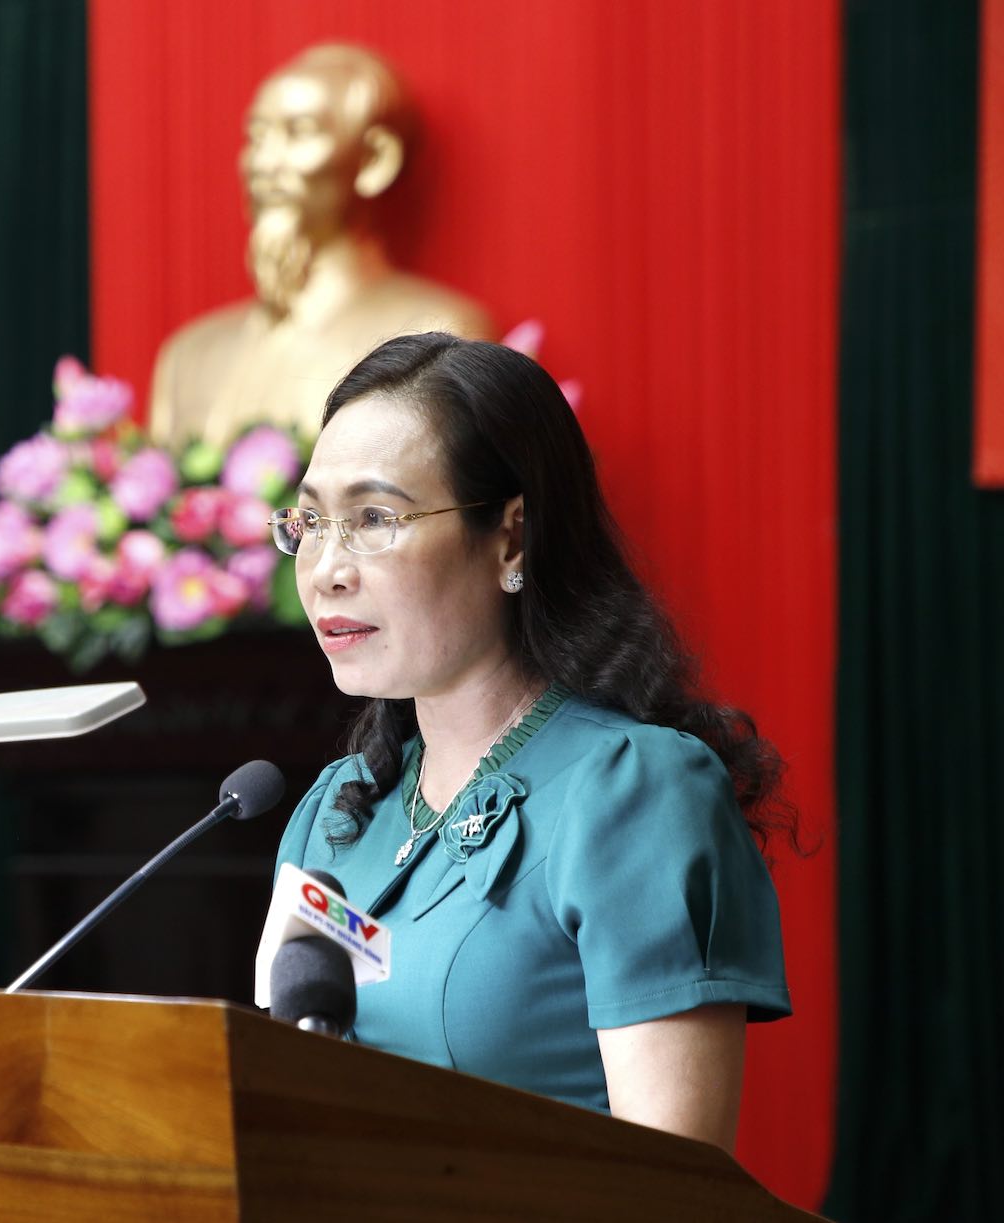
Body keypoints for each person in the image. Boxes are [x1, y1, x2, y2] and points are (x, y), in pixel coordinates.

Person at [268, 332, 792, 1152]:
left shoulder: (634, 792)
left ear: (511, 537)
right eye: (311, 521)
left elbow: (675, 1190)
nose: (327, 567)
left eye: (373, 518)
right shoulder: (338, 813)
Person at [147, 44, 492, 449]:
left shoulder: (437, 333)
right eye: (256, 138)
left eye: (299, 133)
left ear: (375, 159)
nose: (262, 163)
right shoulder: (189, 357)